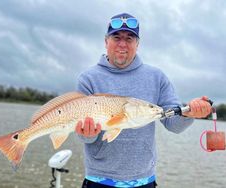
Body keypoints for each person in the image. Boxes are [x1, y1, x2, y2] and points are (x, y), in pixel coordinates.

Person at [75, 13, 212, 188]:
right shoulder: (88, 78)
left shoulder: (156, 77)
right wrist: (88, 133)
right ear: (105, 41)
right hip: (98, 180)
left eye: (130, 38)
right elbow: (85, 138)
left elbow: (173, 124)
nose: (123, 44)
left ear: (137, 44)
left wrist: (189, 113)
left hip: (144, 181)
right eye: (116, 37)